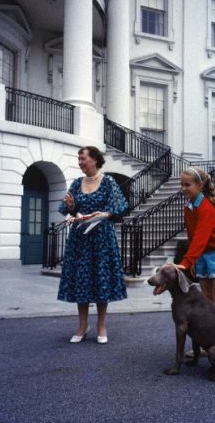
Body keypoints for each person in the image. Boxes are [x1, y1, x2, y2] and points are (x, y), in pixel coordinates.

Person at [57, 146, 129, 344]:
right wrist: (72, 209)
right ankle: (82, 326)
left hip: (101, 238)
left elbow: (120, 207)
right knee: (81, 279)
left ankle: (101, 325)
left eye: (83, 158)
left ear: (95, 160)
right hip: (80, 238)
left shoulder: (108, 182)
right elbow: (67, 209)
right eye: (79, 159)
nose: (80, 162)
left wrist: (104, 214)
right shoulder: (76, 183)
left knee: (101, 279)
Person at [175, 167, 215, 356]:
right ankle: (207, 343)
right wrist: (193, 261)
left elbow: (202, 237)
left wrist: (185, 262)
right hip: (202, 256)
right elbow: (193, 236)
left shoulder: (206, 208)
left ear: (200, 185)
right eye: (182, 184)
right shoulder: (189, 206)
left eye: (187, 185)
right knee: (208, 303)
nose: (183, 188)